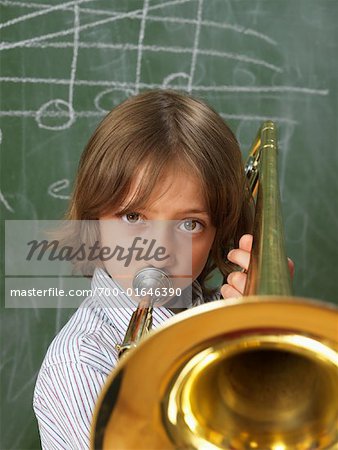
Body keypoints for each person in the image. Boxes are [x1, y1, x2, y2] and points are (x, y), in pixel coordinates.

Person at [33, 90, 291, 449]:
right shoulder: (80, 363)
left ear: (219, 232)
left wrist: (269, 335)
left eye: (190, 224)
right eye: (134, 216)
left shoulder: (214, 312)